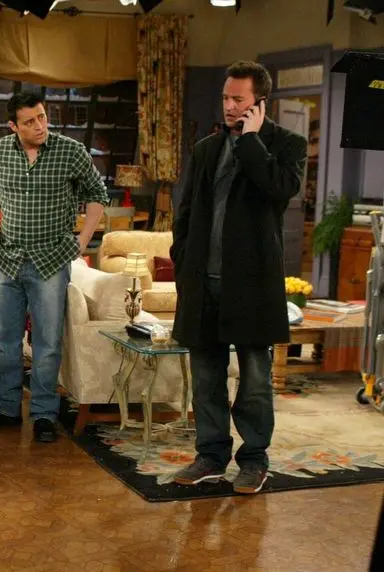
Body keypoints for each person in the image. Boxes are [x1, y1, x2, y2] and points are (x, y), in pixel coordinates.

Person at [170, 61, 307, 494]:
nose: (228, 106)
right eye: (225, 98)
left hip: (251, 286)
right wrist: (182, 261)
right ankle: (210, 455)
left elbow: (279, 189)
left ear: (260, 103)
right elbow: (185, 212)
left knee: (255, 382)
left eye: (238, 99)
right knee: (206, 378)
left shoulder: (287, 145)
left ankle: (254, 460)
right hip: (203, 281)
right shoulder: (206, 149)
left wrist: (251, 140)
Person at [0, 91, 109, 443]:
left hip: (51, 260)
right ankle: (6, 408)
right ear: (13, 126)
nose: (39, 126)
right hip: (8, 258)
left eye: (42, 117)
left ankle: (44, 414)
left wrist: (83, 240)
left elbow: (97, 195)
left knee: (47, 343)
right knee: (5, 340)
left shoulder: (70, 151)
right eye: (30, 121)